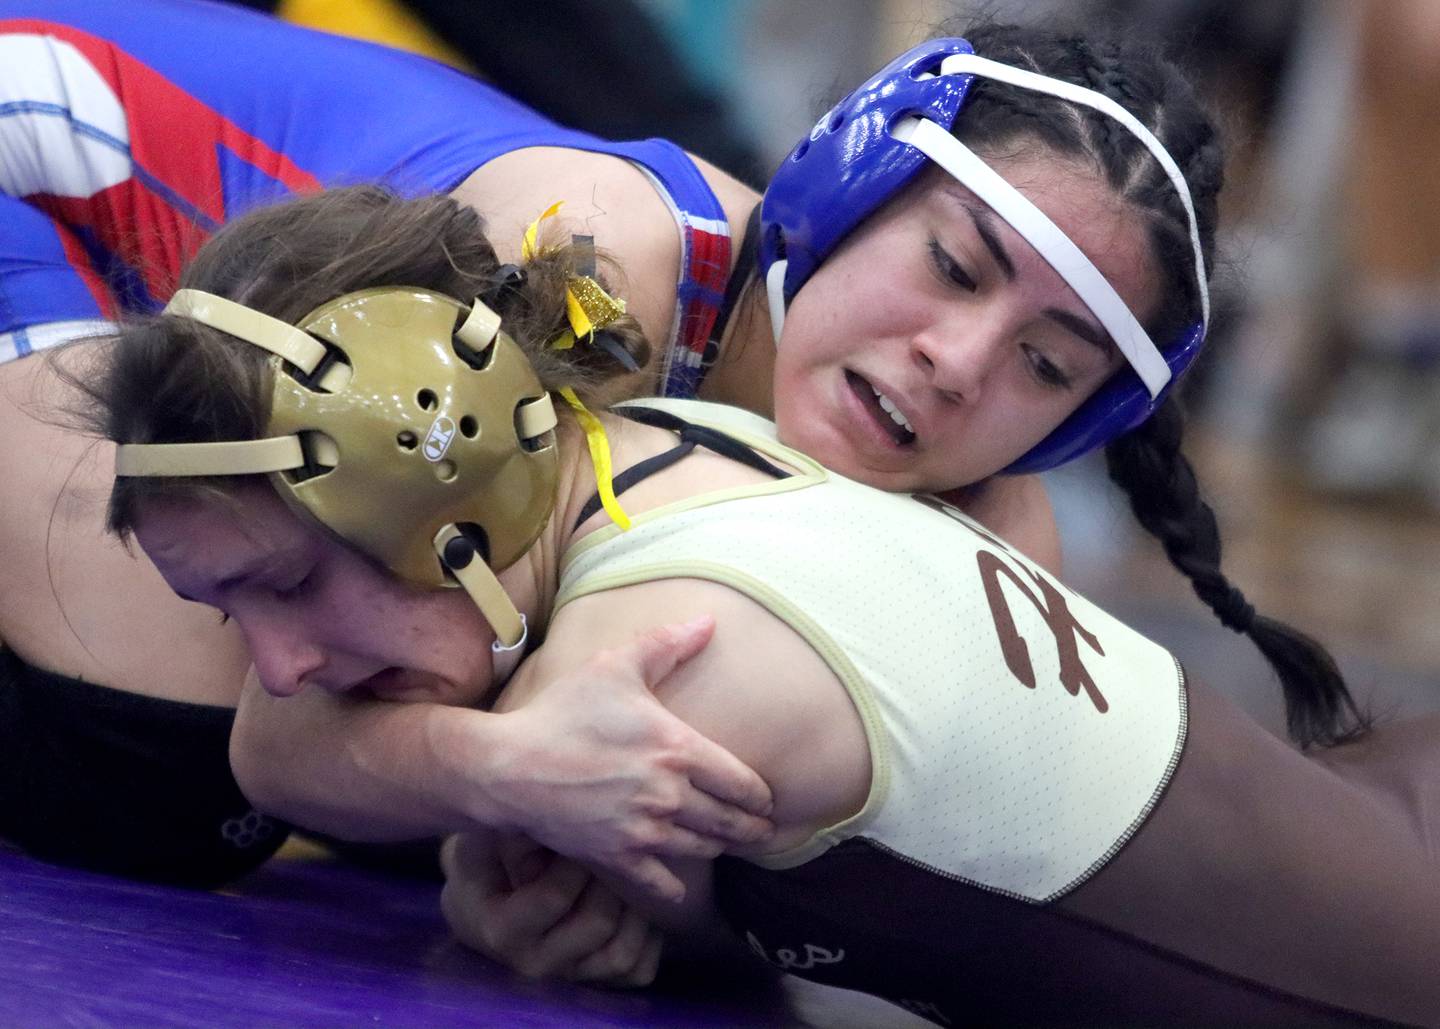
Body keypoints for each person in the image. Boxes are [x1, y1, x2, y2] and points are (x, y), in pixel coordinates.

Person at [3, 4, 1352, 884]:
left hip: (177, 277)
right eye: (948, 266)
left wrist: (614, 903)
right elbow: (279, 726)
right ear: (839, 191)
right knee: (174, 734)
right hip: (33, 151)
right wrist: (500, 773)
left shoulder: (996, 532)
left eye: (1045, 366)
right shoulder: (596, 277)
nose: (960, 361)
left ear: (1084, 420)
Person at [76, 169, 1439, 1024]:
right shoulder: (669, 435)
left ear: (458, 488)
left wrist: (542, 853)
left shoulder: (660, 667)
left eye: (288, 586)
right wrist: (492, 772)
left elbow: (314, 771)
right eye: (231, 615)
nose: (282, 661)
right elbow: (283, 746)